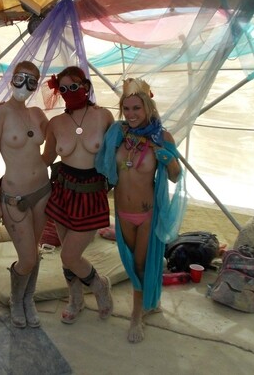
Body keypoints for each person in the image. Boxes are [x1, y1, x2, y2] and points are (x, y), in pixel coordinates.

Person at [95, 77, 184, 343]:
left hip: (147, 215)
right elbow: (103, 166)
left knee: (140, 265)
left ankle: (136, 316)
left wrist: (166, 156)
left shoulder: (162, 137)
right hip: (122, 213)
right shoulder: (118, 133)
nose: (131, 114)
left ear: (148, 107)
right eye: (126, 108)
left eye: (137, 108)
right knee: (132, 262)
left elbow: (176, 176)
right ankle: (147, 304)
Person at [41, 66, 114, 324]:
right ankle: (75, 299)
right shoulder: (55, 123)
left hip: (91, 194)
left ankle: (100, 285)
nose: (70, 92)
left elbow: (116, 153)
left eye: (74, 86)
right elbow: (46, 158)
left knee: (69, 255)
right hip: (63, 191)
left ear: (86, 86)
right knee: (67, 254)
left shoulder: (104, 116)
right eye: (63, 89)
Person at [0, 61, 50, 328]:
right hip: (14, 197)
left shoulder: (37, 114)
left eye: (32, 81)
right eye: (21, 78)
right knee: (27, 258)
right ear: (12, 79)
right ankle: (16, 299)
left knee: (34, 251)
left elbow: (56, 140)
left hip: (42, 191)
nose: (25, 85)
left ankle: (28, 299)